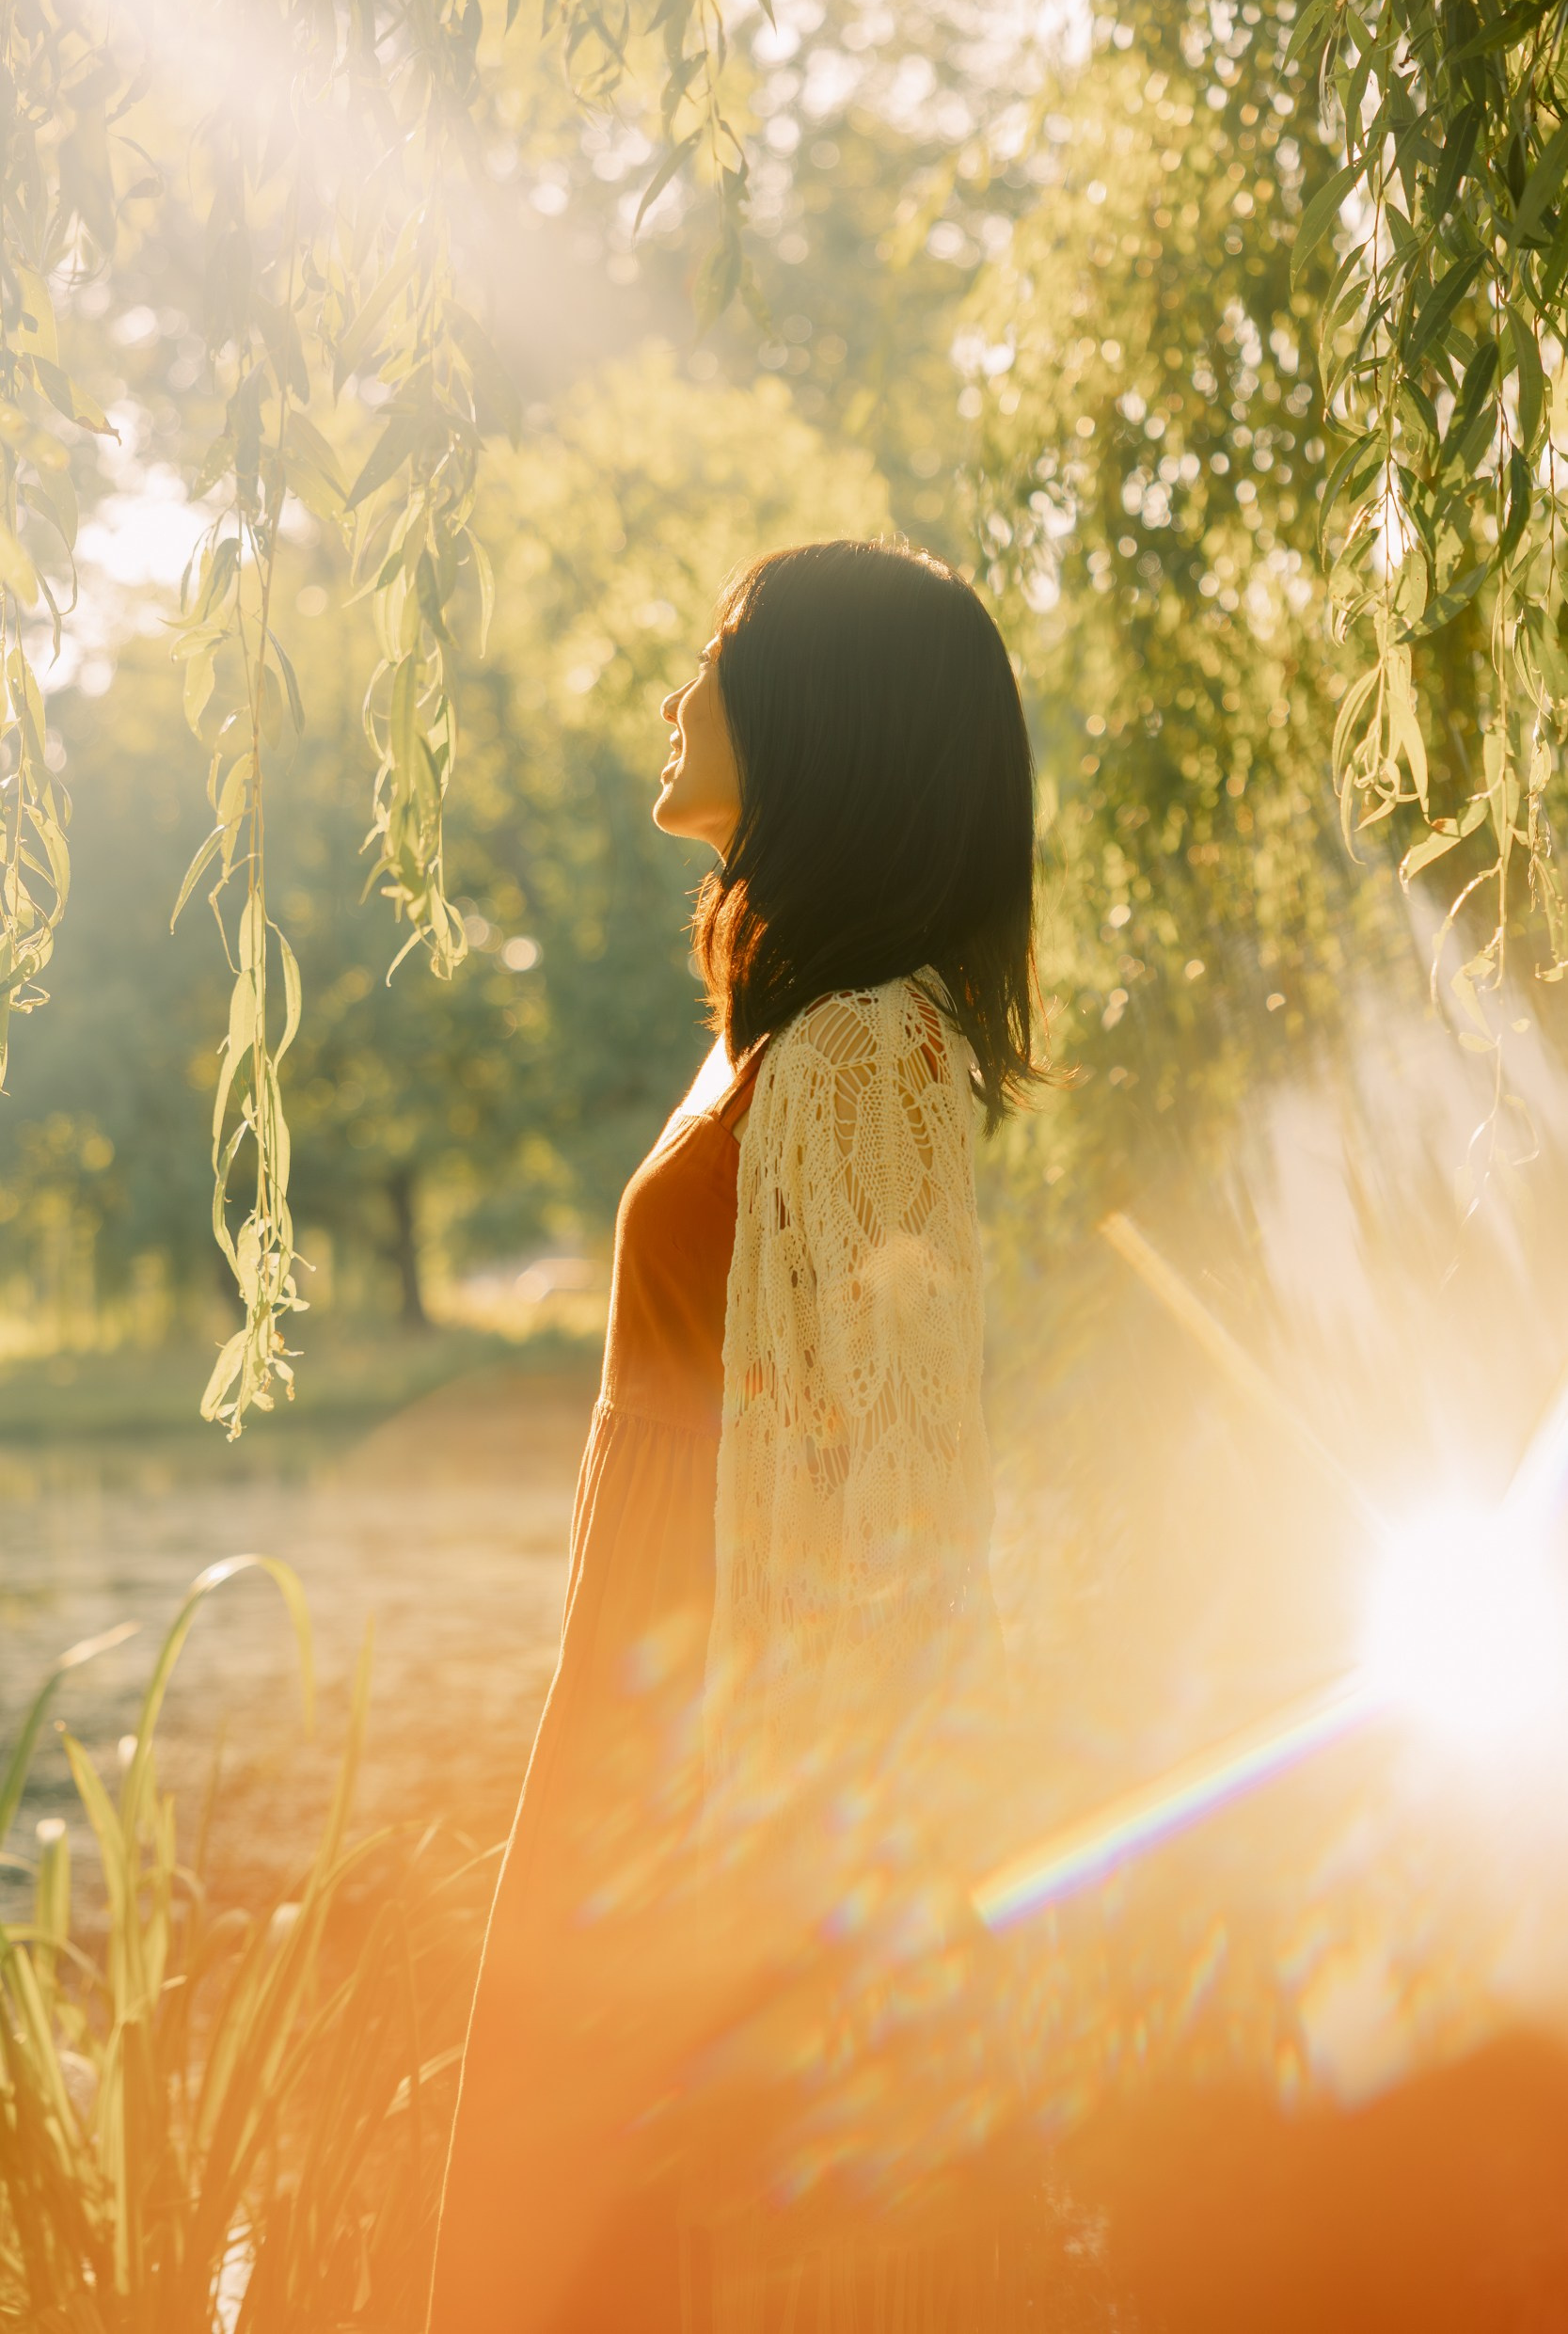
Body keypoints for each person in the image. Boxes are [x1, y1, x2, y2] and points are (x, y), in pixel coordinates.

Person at [428, 537, 1043, 2334]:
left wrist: (795, 1889)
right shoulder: (784, 1035)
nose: (679, 687)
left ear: (822, 722)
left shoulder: (863, 1058)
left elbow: (900, 1504)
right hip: (644, 1709)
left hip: (715, 1764)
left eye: (718, 650)